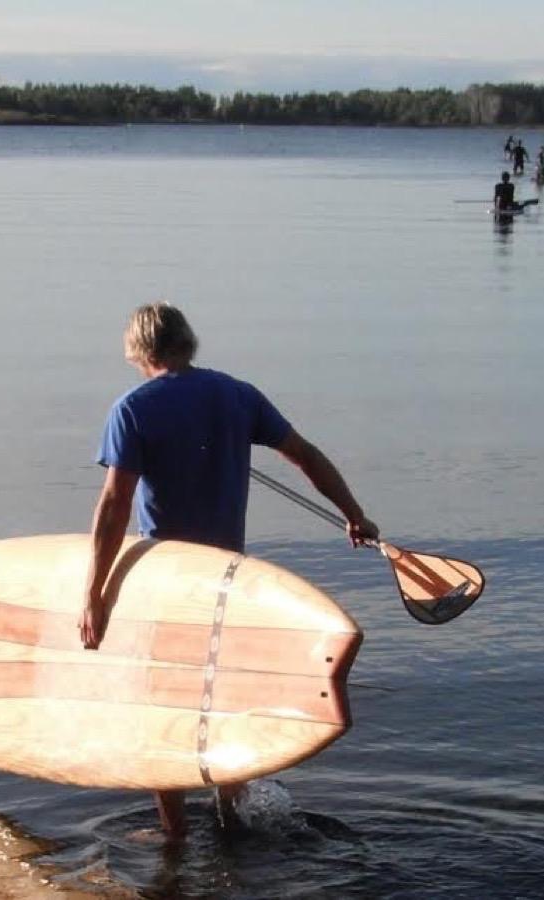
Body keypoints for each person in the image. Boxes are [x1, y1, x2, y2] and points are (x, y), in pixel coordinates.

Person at [80, 302, 378, 841]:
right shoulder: (237, 395)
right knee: (217, 700)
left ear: (139, 351)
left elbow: (114, 506)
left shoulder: (132, 408)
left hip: (169, 583)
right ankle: (233, 817)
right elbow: (306, 455)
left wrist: (93, 594)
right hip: (229, 581)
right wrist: (353, 514)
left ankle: (173, 835)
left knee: (162, 709)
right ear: (186, 341)